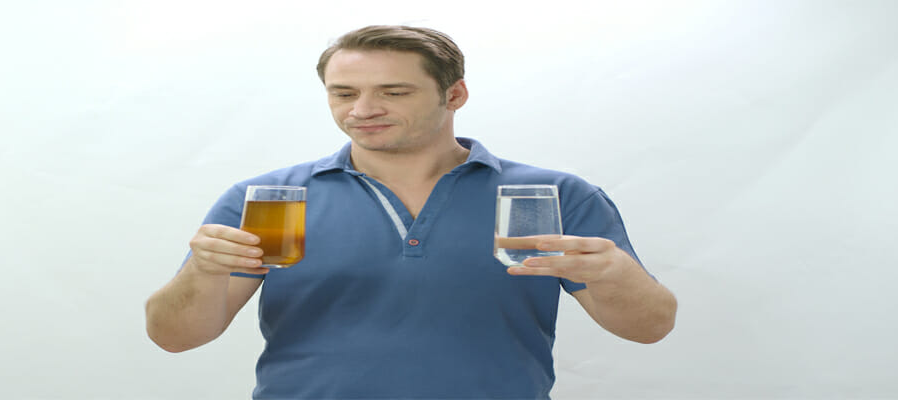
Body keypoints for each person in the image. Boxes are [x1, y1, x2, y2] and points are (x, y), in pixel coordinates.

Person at [145, 25, 678, 399]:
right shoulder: (269, 198)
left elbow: (649, 328)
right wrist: (204, 271)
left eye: (393, 91)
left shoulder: (552, 196)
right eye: (343, 93)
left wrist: (615, 276)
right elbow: (174, 336)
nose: (362, 110)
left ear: (455, 93)